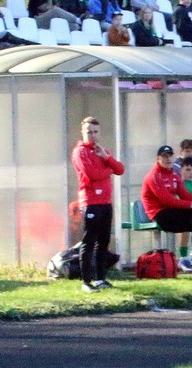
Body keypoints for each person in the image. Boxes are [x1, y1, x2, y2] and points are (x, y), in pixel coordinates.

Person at [71, 116, 125, 292]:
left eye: (95, 132)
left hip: (105, 202)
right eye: (89, 132)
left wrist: (106, 158)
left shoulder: (102, 151)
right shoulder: (80, 152)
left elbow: (120, 169)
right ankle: (86, 282)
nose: (92, 135)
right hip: (90, 202)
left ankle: (101, 278)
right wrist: (108, 169)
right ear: (82, 132)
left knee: (104, 241)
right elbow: (92, 174)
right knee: (89, 242)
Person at [141, 144, 192, 260]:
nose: (168, 159)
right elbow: (166, 200)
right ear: (158, 159)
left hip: (171, 211)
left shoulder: (174, 175)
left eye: (170, 156)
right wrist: (191, 205)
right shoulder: (154, 176)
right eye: (164, 156)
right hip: (159, 215)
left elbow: (184, 194)